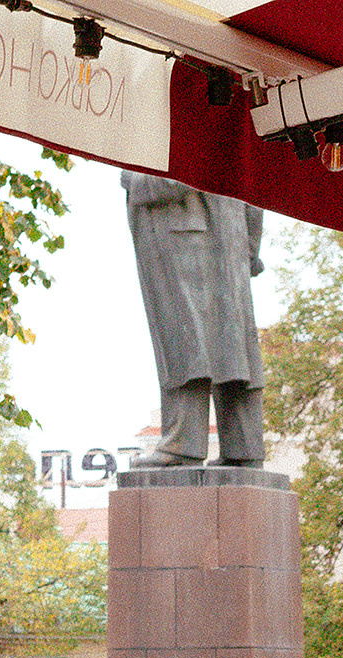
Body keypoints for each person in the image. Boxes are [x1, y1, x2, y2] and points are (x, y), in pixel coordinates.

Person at [122, 174, 266, 469]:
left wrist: (136, 179)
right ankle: (244, 448)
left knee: (185, 343)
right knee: (232, 349)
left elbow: (187, 161)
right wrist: (249, 247)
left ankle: (182, 445)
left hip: (182, 236)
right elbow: (252, 181)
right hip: (228, 241)